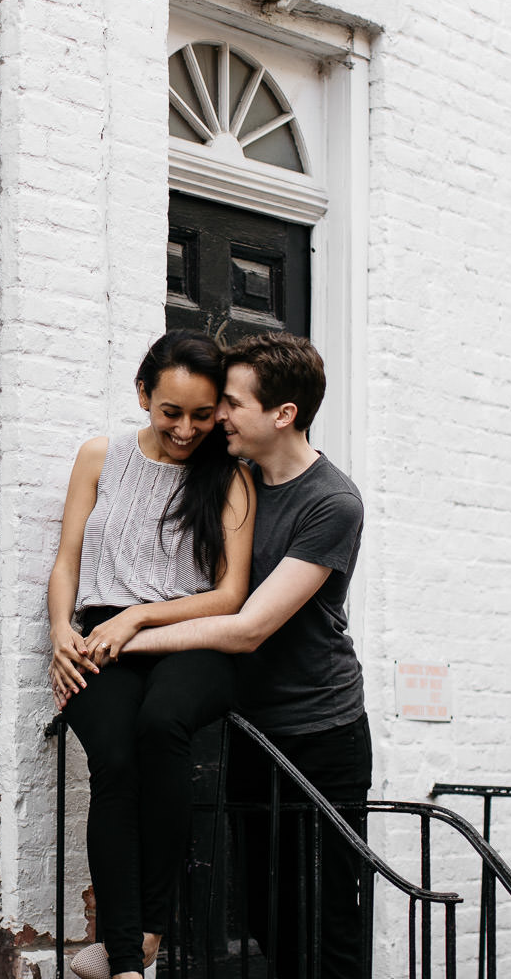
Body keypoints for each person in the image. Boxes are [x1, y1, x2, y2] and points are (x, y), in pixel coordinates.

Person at [121, 331, 369, 979]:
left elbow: (248, 626)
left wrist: (127, 636)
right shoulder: (236, 477)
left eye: (230, 402)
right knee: (264, 914)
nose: (216, 415)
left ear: (282, 413)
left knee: (326, 921)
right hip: (254, 730)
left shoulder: (330, 502)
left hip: (321, 732)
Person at [48, 331, 257, 979]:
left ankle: (147, 934)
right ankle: (129, 964)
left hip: (189, 634)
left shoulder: (231, 476)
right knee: (114, 762)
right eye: (172, 412)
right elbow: (68, 561)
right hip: (101, 634)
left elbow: (230, 593)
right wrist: (60, 633)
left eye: (202, 414)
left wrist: (140, 616)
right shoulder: (99, 455)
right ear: (144, 394)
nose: (187, 429)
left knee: (162, 723)